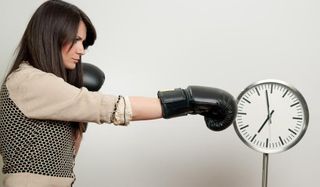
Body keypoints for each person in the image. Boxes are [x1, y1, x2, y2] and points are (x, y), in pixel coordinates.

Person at [0, 0, 237, 186]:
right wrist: (188, 101)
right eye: (76, 40)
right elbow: (109, 108)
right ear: (51, 37)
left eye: (84, 42)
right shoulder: (28, 81)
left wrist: (80, 121)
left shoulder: (42, 85)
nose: (82, 50)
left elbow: (66, 158)